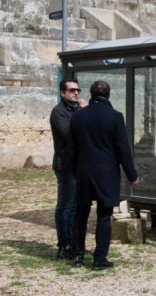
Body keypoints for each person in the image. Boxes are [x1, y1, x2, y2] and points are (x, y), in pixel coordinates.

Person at [69, 80, 140, 271]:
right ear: (108, 95)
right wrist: (132, 175)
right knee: (103, 215)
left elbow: (72, 149)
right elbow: (122, 149)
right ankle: (99, 258)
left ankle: (77, 254)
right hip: (106, 173)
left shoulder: (78, 117)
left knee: (81, 214)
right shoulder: (115, 117)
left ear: (91, 94)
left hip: (84, 171)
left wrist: (75, 171)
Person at [49, 79, 85, 260]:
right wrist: (83, 113)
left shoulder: (76, 110)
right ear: (63, 93)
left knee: (75, 206)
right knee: (66, 206)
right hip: (66, 165)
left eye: (77, 90)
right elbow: (69, 133)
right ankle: (65, 243)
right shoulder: (59, 112)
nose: (76, 93)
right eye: (72, 90)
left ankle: (74, 241)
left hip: (79, 164)